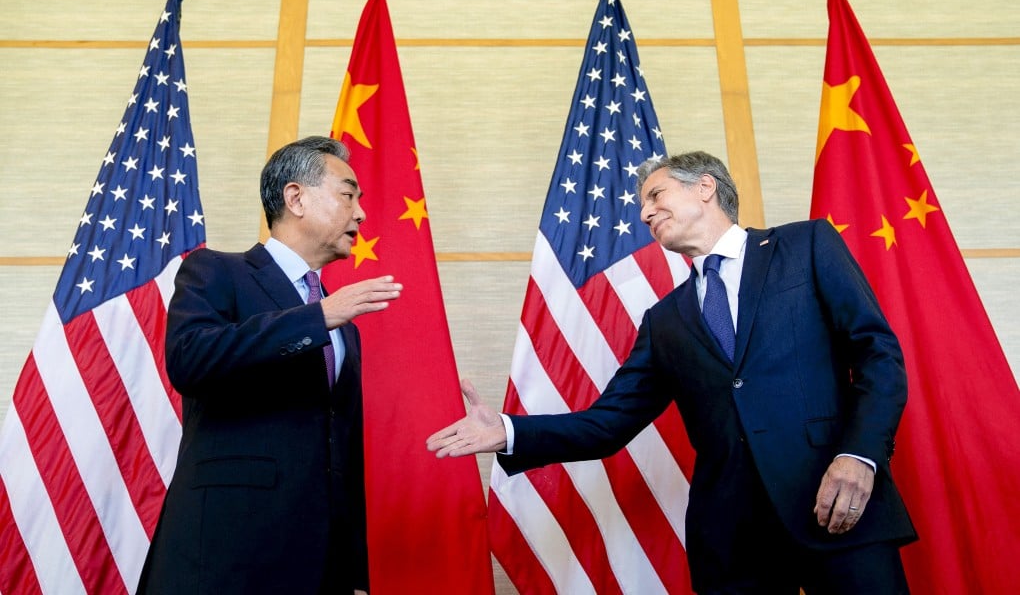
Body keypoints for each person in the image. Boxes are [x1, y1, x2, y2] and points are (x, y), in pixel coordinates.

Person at [428, 151, 917, 594]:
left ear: (705, 187)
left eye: (655, 195)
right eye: (643, 205)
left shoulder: (805, 245)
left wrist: (860, 456)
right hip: (732, 539)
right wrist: (509, 431)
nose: (644, 213)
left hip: (835, 502)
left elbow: (878, 354)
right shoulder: (664, 321)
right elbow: (608, 424)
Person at [138, 136, 402, 594]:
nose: (360, 213)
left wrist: (353, 573)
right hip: (225, 555)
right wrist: (316, 317)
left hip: (318, 569)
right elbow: (190, 360)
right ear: (295, 197)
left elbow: (342, 452)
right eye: (348, 194)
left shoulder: (345, 327)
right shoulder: (216, 271)